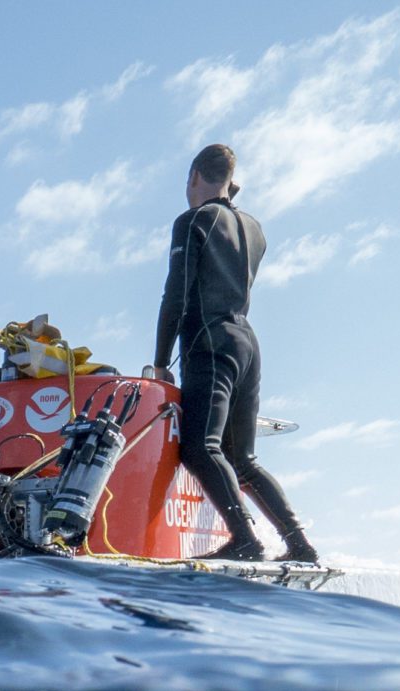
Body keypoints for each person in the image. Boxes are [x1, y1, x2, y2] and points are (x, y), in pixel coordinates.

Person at [144, 144, 318, 564]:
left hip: (211, 343)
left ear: (193, 177)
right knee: (242, 459)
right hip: (247, 345)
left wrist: (162, 362)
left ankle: (245, 539)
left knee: (200, 448)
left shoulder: (194, 221)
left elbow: (176, 296)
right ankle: (299, 543)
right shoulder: (255, 229)